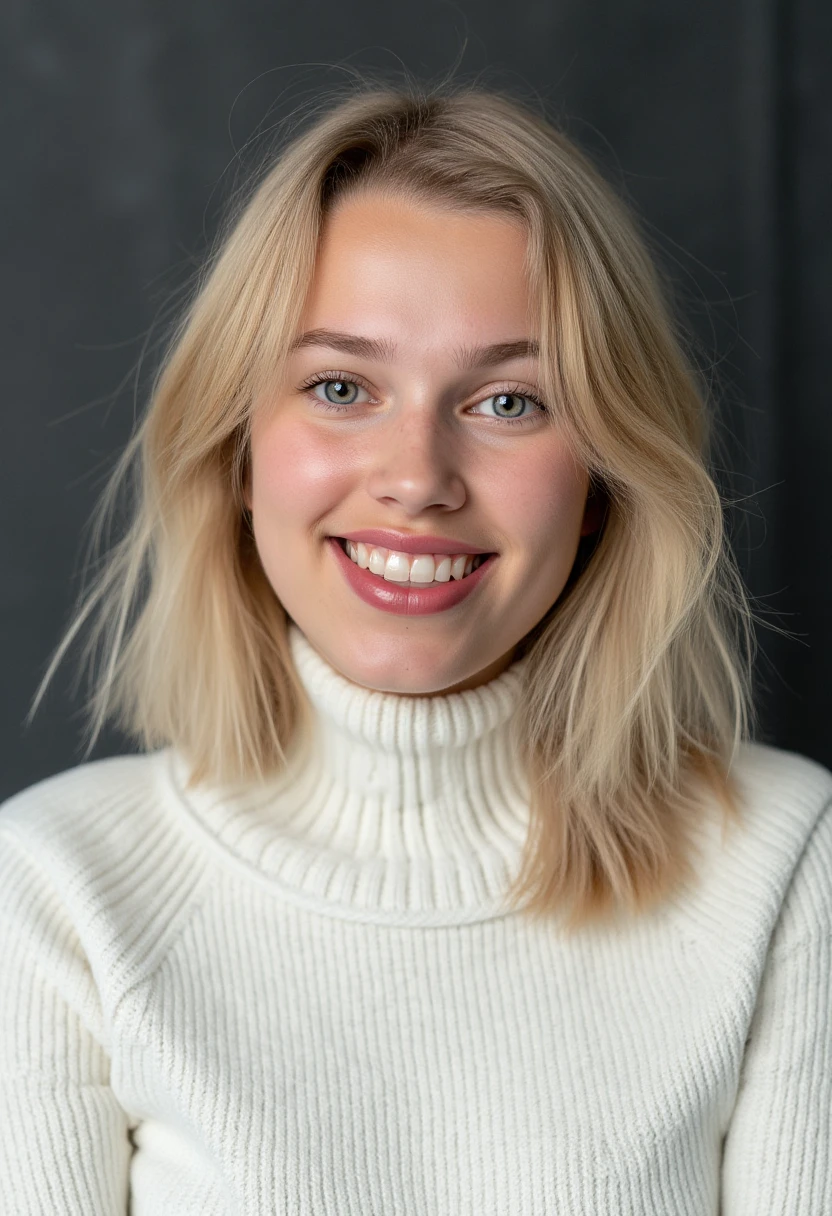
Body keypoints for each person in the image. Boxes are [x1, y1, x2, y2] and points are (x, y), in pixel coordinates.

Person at [1, 81, 829, 1216]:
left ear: (601, 483)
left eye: (507, 402)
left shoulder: (784, 867)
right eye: (340, 386)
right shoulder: (53, 890)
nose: (416, 477)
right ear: (239, 452)